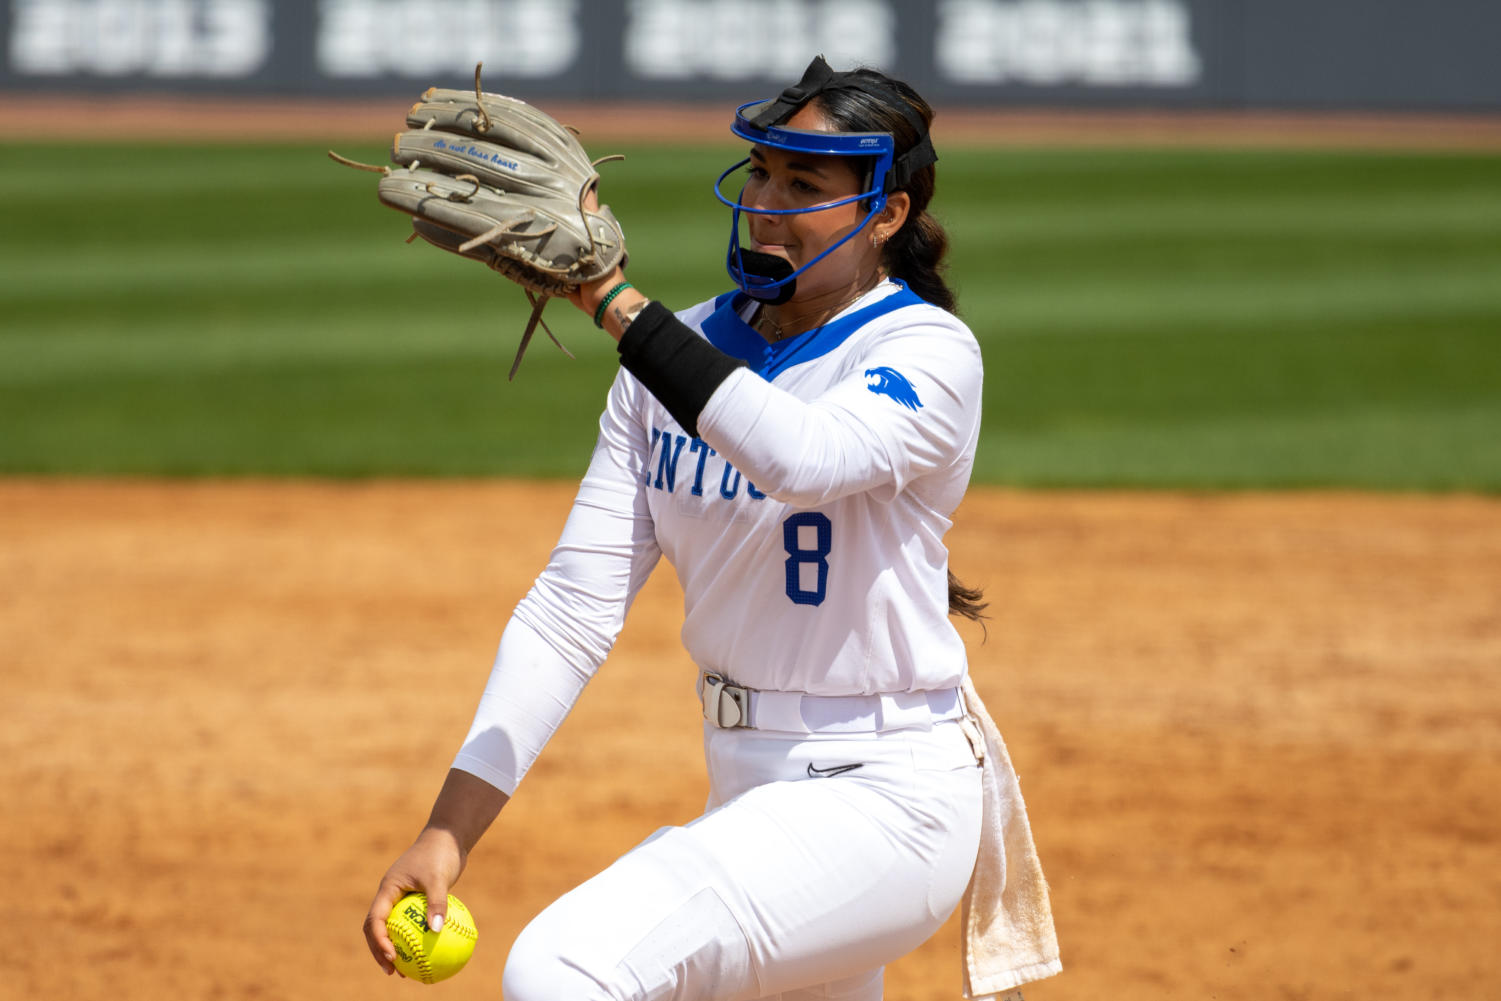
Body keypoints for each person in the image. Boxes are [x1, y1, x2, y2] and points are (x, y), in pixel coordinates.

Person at [362, 56, 1058, 1001]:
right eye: (761, 174)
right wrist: (449, 827)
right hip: (749, 787)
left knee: (564, 966)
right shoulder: (671, 356)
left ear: (885, 214)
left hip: (886, 796)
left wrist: (614, 303)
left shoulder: (924, 352)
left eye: (803, 184)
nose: (767, 201)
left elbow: (803, 458)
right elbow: (572, 610)